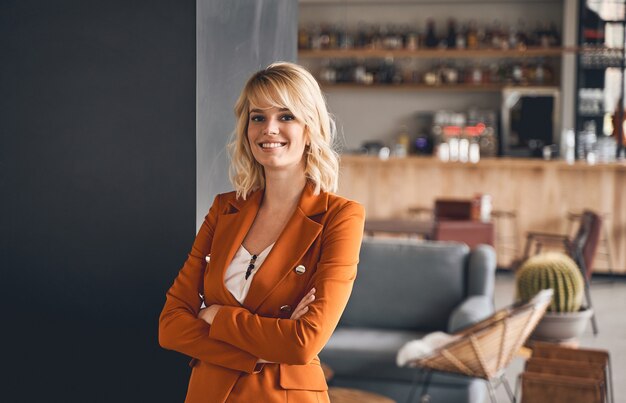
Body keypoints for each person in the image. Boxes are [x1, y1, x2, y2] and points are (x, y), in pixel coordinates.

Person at [158, 62, 365, 403]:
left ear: (309, 128)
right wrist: (259, 351)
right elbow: (170, 326)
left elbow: (303, 342)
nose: (269, 129)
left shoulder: (340, 217)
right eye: (258, 117)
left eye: (286, 116)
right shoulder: (225, 209)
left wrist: (217, 317)